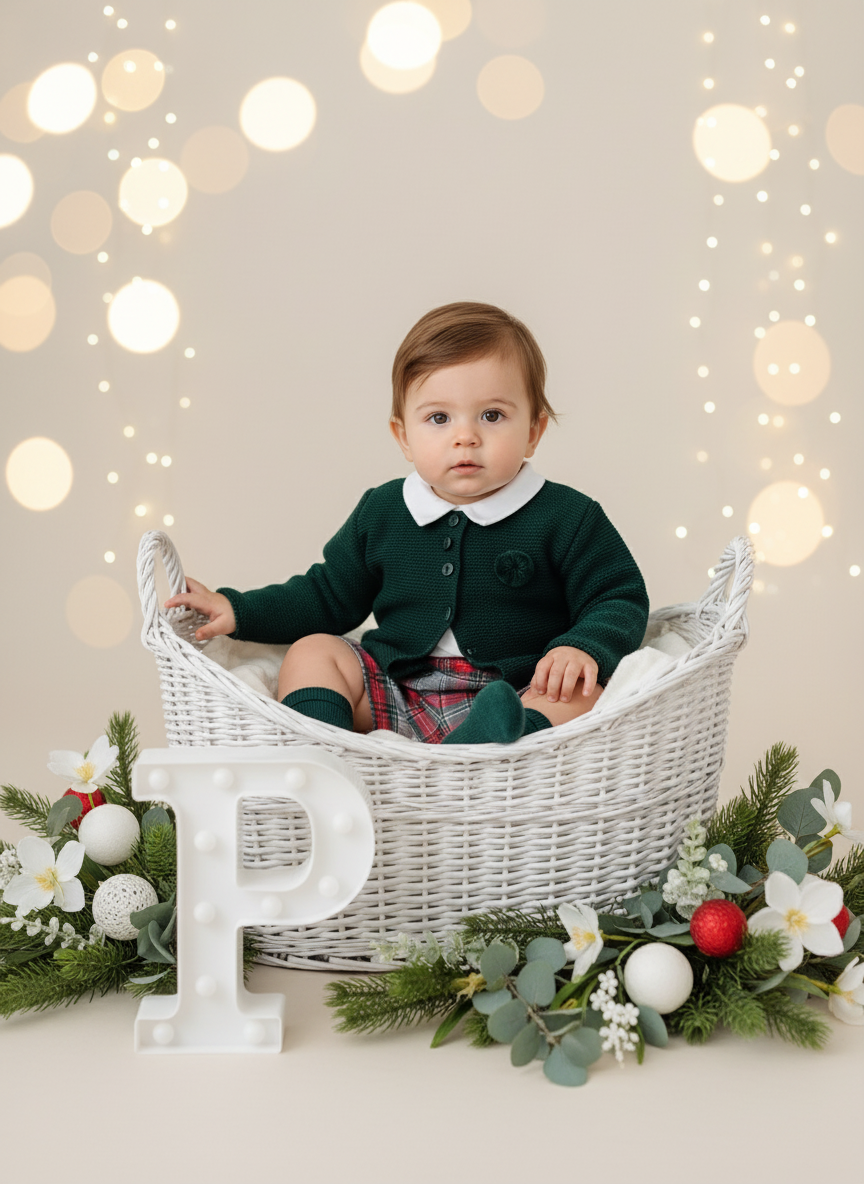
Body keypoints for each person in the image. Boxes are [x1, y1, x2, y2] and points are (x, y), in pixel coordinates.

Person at [165, 302, 649, 745]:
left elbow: (618, 595)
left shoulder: (566, 515)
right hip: (396, 691)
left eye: (492, 415)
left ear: (533, 431)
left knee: (580, 693)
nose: (466, 437)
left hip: (513, 690)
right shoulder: (383, 512)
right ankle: (328, 754)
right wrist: (240, 608)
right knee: (312, 652)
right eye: (439, 418)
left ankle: (480, 747)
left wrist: (579, 647)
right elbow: (326, 594)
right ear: (403, 436)